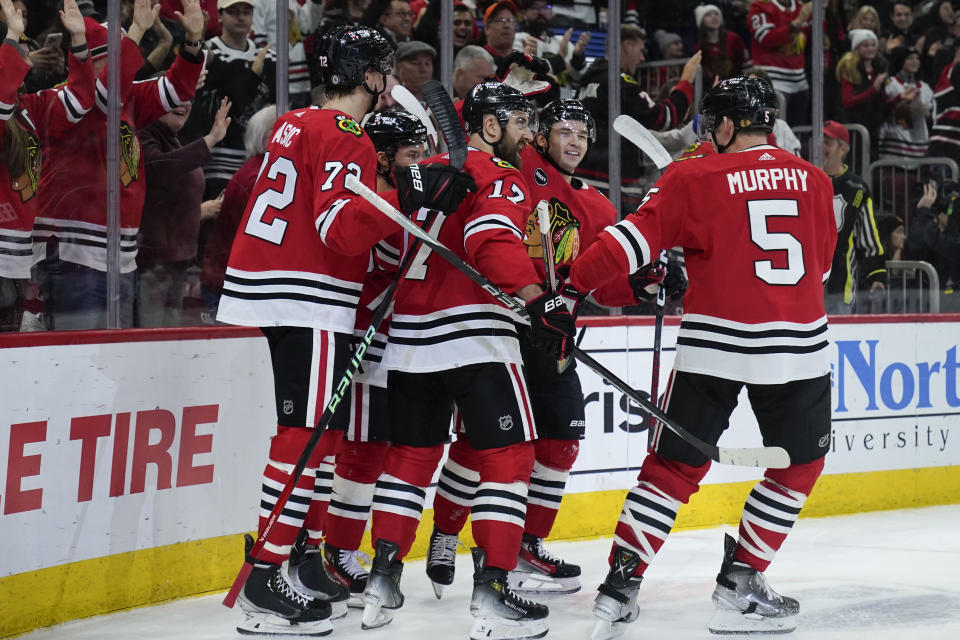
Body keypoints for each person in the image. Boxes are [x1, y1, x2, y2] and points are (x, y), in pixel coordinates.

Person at [215, 25, 474, 636]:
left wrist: (401, 190)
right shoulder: (347, 134)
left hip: (271, 287)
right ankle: (263, 579)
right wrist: (411, 191)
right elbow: (339, 231)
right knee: (303, 438)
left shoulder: (295, 121)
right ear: (369, 75)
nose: (387, 83)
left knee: (313, 438)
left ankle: (294, 559)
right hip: (308, 297)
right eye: (383, 70)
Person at [565, 77, 837, 639]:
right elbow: (823, 271)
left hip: (712, 345)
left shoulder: (692, 175)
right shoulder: (814, 180)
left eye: (712, 126)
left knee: (672, 468)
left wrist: (568, 288)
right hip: (795, 349)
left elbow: (627, 244)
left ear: (728, 124)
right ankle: (742, 580)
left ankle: (620, 585)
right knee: (799, 465)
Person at [424, 98, 665, 600]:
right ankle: (446, 532)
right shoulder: (519, 163)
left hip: (553, 337)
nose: (574, 141)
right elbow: (477, 128)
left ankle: (528, 543)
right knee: (481, 443)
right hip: (501, 327)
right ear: (538, 134)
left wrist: (637, 285)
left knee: (562, 439)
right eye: (563, 130)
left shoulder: (597, 206)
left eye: (582, 133)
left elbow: (599, 286)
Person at [360, 81, 574, 640]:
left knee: (409, 459)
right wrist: (536, 299)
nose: (530, 133)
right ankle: (493, 591)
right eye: (521, 121)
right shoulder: (499, 176)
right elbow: (491, 242)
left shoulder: (424, 169)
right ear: (489, 124)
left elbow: (384, 243)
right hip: (475, 335)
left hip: (409, 336)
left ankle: (382, 581)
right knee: (508, 458)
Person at [33, 0, 206, 330]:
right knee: (79, 362)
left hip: (122, 258)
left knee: (113, 365)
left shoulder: (128, 99)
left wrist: (193, 41)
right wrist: (138, 30)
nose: (130, 64)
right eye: (119, 54)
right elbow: (102, 95)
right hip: (73, 257)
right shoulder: (65, 101)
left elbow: (176, 89)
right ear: (93, 61)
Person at [320, 107, 428, 607]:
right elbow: (384, 260)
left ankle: (332, 546)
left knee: (376, 446)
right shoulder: (370, 198)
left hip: (395, 339)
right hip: (366, 337)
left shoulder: (398, 195)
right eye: (412, 156)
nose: (420, 164)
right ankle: (336, 551)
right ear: (383, 159)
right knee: (361, 450)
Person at [0, 0, 93, 331]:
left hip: (16, 259)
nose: (27, 50)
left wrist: (79, 44)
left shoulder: (31, 107)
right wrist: (12, 34)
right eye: (20, 45)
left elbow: (80, 101)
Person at [577, 24, 700, 211]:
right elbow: (663, 118)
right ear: (627, 46)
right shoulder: (620, 82)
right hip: (614, 181)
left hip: (583, 176)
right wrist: (686, 82)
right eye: (640, 50)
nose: (642, 58)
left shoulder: (586, 82)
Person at [137, 97, 231, 327]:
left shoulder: (171, 139)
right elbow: (162, 168)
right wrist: (210, 139)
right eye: (174, 97)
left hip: (176, 262)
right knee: (151, 341)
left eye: (188, 99)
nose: (183, 105)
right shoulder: (143, 136)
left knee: (167, 340)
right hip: (154, 264)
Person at [182, 0, 276, 199]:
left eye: (246, 12)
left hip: (256, 158)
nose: (241, 17)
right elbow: (230, 98)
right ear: (220, 16)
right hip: (216, 160)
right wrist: (253, 73)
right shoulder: (209, 54)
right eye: (233, 12)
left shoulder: (270, 57)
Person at [199, 103, 277, 321]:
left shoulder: (261, 171)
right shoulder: (258, 179)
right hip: (228, 286)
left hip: (232, 283)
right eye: (281, 131)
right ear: (266, 138)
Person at [822, 120, 887, 314]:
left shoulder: (856, 189)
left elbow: (869, 239)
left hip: (840, 290)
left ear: (842, 148)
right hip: (804, 289)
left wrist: (877, 276)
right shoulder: (804, 179)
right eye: (819, 141)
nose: (820, 147)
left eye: (827, 142)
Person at [748, 0, 812, 126]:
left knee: (797, 132)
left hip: (799, 80)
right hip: (772, 80)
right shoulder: (760, 6)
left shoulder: (801, 7)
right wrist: (797, 22)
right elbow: (767, 38)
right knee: (773, 128)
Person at [837, 29, 890, 151]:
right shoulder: (849, 68)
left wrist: (900, 98)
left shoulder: (880, 67)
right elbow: (847, 101)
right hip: (854, 129)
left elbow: (881, 101)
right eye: (865, 45)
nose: (870, 48)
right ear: (857, 48)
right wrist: (873, 89)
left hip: (873, 126)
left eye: (873, 45)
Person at [878, 46, 934, 159]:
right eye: (910, 58)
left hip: (920, 141)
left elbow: (930, 113)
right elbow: (885, 109)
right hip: (896, 141)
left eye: (917, 58)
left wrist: (923, 110)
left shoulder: (924, 87)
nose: (915, 62)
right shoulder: (890, 83)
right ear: (900, 60)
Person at [695, 3, 752, 88]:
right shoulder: (699, 48)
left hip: (738, 88)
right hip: (713, 91)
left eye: (716, 14)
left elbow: (747, 66)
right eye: (708, 15)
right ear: (701, 21)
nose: (714, 17)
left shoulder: (733, 39)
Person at [482, 0, 519, 66]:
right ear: (487, 28)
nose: (507, 25)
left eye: (511, 20)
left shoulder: (521, 60)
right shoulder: (478, 59)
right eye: (500, 20)